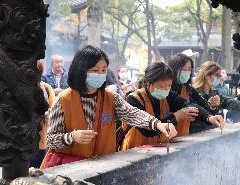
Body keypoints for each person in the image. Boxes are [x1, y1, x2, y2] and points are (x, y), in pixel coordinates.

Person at [43, 46, 177, 168]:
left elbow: (132, 113)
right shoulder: (63, 99)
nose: (100, 74)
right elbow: (50, 140)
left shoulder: (111, 97)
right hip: (71, 169)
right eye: (95, 70)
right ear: (80, 71)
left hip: (103, 167)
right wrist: (72, 137)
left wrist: (158, 124)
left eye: (103, 70)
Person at [121, 62, 224, 150]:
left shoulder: (168, 95)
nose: (165, 89)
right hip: (135, 149)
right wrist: (176, 117)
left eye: (169, 85)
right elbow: (146, 131)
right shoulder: (134, 98)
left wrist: (209, 117)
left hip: (157, 147)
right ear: (148, 83)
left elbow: (189, 106)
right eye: (161, 86)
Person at [168, 53, 220, 135]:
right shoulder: (166, 91)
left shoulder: (188, 89)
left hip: (183, 135)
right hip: (165, 136)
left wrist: (211, 106)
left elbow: (200, 106)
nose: (186, 72)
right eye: (183, 69)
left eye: (189, 69)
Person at [30, 60, 55, 168]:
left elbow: (53, 112)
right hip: (20, 144)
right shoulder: (15, 89)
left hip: (41, 142)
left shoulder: (47, 89)